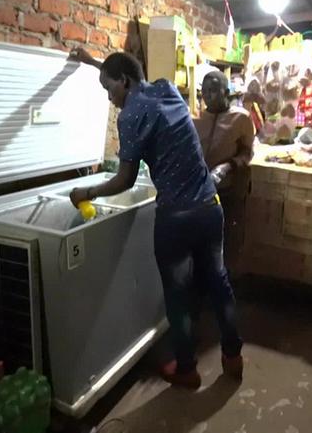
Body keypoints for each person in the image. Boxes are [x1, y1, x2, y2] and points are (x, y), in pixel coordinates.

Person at [67, 48, 243, 390]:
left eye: (109, 89)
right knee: (218, 281)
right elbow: (133, 73)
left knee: (178, 294)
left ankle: (187, 370)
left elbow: (125, 180)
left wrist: (86, 192)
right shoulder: (167, 89)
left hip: (176, 218)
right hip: (210, 207)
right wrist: (93, 62)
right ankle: (233, 357)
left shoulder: (129, 116)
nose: (109, 98)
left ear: (124, 82)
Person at [193, 71, 255, 263]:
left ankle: (227, 277)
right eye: (204, 91)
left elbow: (247, 153)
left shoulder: (241, 119)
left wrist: (226, 167)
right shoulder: (196, 119)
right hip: (201, 193)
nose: (207, 96)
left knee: (227, 244)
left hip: (228, 193)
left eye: (213, 90)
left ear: (226, 92)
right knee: (202, 244)